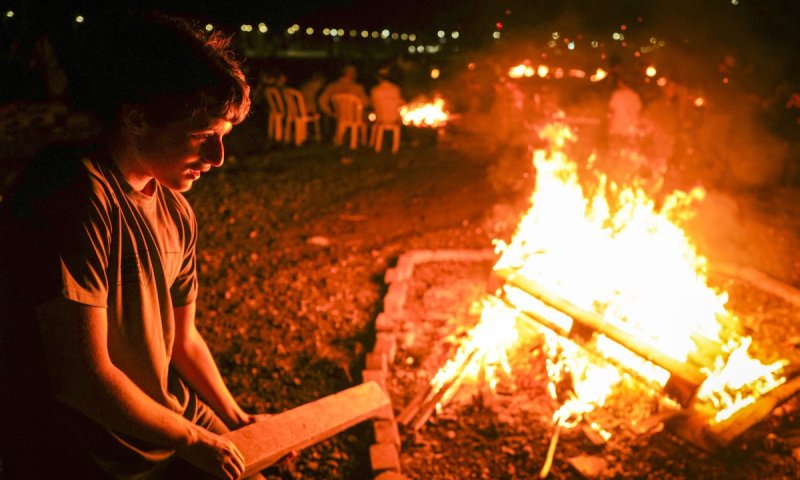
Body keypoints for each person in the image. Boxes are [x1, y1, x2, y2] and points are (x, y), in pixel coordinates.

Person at [0, 12, 264, 480]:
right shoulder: (72, 193)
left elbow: (184, 341)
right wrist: (194, 440)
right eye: (204, 137)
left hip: (166, 424)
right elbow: (83, 380)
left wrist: (234, 421)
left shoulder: (176, 211)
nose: (217, 159)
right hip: (91, 450)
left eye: (222, 139)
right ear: (137, 118)